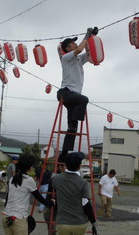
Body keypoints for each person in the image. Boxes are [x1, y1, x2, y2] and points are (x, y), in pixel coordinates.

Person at [57, 27, 98, 158]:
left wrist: (92, 38)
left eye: (75, 43)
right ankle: (75, 121)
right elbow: (80, 49)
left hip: (73, 96)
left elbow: (88, 53)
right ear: (68, 48)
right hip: (65, 93)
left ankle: (64, 154)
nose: (75, 44)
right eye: (73, 43)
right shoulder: (66, 58)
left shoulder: (79, 59)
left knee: (72, 129)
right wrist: (87, 34)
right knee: (84, 99)